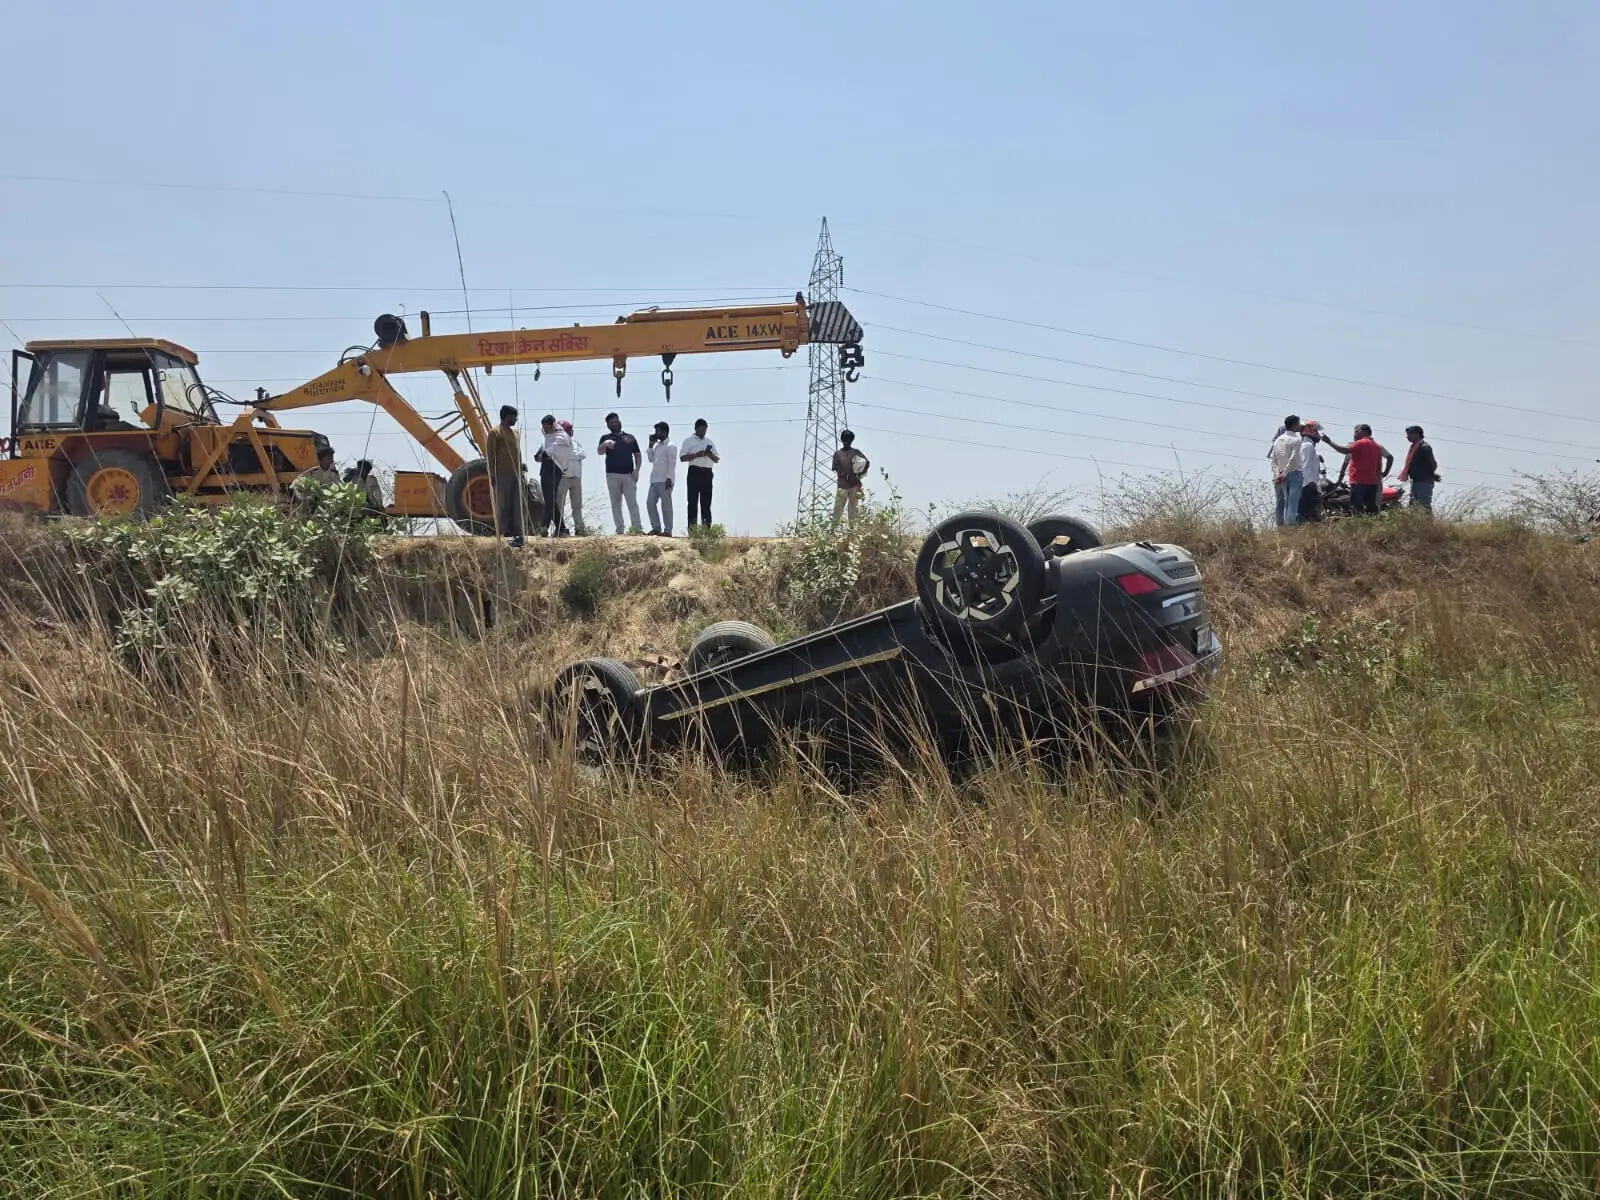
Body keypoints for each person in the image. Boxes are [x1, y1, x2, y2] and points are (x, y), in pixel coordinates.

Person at [1322, 423, 1393, 516]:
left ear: (1364, 432)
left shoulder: (1360, 443)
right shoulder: (1376, 446)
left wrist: (1329, 442)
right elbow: (1390, 457)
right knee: (1371, 506)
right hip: (1372, 482)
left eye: (1356, 431)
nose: (1354, 434)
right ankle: (1371, 524)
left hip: (1359, 481)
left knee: (1357, 506)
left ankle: (1357, 525)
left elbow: (1344, 450)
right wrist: (1385, 472)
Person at [485, 404, 525, 546]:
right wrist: (492, 475)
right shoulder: (495, 432)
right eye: (514, 417)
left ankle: (518, 533)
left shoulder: (515, 433)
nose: (515, 419)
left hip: (517, 473)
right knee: (503, 503)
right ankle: (504, 532)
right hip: (502, 473)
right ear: (507, 416)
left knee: (517, 504)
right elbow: (490, 455)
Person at [598, 412, 642, 534]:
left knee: (632, 503)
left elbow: (637, 455)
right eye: (612, 422)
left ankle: (637, 529)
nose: (615, 423)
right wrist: (605, 444)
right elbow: (599, 452)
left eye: (616, 421)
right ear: (608, 425)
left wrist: (637, 470)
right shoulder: (605, 438)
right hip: (612, 475)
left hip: (628, 475)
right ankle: (620, 530)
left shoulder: (630, 437)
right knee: (616, 503)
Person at [679, 417, 719, 528]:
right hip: (694, 472)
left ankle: (706, 531)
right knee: (692, 502)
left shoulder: (709, 442)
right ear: (696, 429)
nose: (703, 433)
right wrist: (697, 454)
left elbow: (717, 459)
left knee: (706, 503)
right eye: (701, 430)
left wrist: (708, 454)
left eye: (705, 430)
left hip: (707, 473)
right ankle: (693, 531)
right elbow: (682, 457)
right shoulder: (688, 441)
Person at [550, 419, 587, 536]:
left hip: (576, 477)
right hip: (563, 477)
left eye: (571, 430)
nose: (570, 432)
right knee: (559, 504)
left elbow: (581, 455)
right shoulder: (556, 443)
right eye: (568, 430)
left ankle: (579, 528)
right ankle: (560, 529)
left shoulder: (577, 443)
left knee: (577, 505)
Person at [1268, 415, 1304, 527]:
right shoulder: (1296, 440)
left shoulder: (1278, 440)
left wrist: (1277, 473)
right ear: (1294, 425)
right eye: (1298, 424)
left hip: (1281, 474)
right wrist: (1284, 473)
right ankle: (1290, 527)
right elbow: (1293, 458)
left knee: (1285, 501)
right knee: (1292, 502)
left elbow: (1273, 459)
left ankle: (1283, 526)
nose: (1299, 426)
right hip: (1294, 473)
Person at [830, 430, 869, 528]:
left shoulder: (838, 454)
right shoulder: (856, 452)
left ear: (842, 439)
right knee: (853, 511)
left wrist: (846, 475)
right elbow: (867, 463)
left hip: (843, 486)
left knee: (838, 511)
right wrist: (858, 475)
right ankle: (852, 533)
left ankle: (834, 532)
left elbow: (835, 469)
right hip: (853, 485)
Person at [645, 421, 678, 537]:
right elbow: (650, 459)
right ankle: (656, 528)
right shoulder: (657, 446)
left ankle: (668, 530)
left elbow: (672, 463)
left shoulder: (671, 446)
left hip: (665, 480)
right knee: (650, 503)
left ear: (664, 432)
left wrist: (669, 478)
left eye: (657, 431)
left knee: (666, 506)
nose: (656, 433)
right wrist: (650, 445)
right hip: (654, 480)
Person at [1398, 425, 1439, 511]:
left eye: (1409, 434)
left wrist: (1430, 474)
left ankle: (1428, 523)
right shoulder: (1414, 447)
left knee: (1424, 505)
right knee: (1413, 505)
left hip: (1424, 481)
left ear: (1416, 434)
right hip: (1416, 480)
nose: (1407, 437)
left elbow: (1433, 464)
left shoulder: (1424, 447)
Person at [1297, 421, 1324, 522]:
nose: (1317, 434)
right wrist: (1311, 485)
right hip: (1307, 486)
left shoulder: (1306, 445)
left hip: (1307, 485)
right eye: (1316, 431)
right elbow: (1305, 466)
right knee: (1310, 515)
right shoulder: (1307, 446)